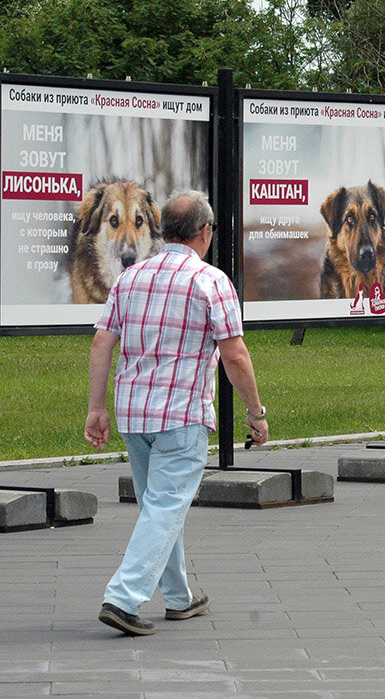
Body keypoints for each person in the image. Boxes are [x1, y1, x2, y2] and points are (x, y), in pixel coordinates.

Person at [85, 190, 268, 636]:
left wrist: (96, 408)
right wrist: (256, 412)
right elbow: (236, 357)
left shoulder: (129, 278)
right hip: (181, 415)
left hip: (133, 413)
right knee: (165, 506)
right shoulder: (211, 282)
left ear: (164, 230)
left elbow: (101, 343)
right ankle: (123, 598)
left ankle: (180, 597)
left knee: (159, 505)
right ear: (205, 233)